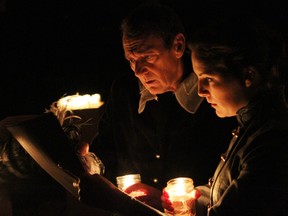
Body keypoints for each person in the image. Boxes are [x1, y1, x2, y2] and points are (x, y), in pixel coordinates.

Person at [85, 1, 237, 212]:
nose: (138, 70)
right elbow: (105, 148)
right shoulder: (125, 91)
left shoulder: (217, 99)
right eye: (131, 60)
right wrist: (89, 162)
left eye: (148, 57)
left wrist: (174, 200)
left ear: (178, 46)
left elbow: (231, 180)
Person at [162, 10, 288, 216]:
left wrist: (121, 202)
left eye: (208, 78)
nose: (200, 91)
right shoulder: (252, 126)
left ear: (249, 75)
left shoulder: (272, 143)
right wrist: (195, 198)